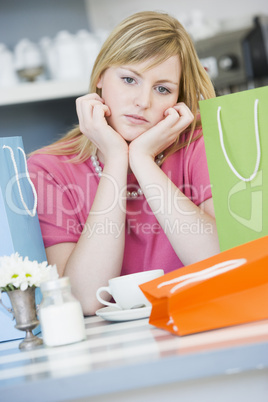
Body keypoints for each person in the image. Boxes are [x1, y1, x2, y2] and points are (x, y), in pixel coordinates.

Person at [28, 10, 220, 315]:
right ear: (101, 76)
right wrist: (117, 159)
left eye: (162, 89)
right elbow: (82, 299)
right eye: (129, 79)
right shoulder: (48, 169)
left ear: (178, 99)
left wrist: (143, 161)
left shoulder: (201, 143)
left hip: (204, 322)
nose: (143, 101)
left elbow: (221, 265)